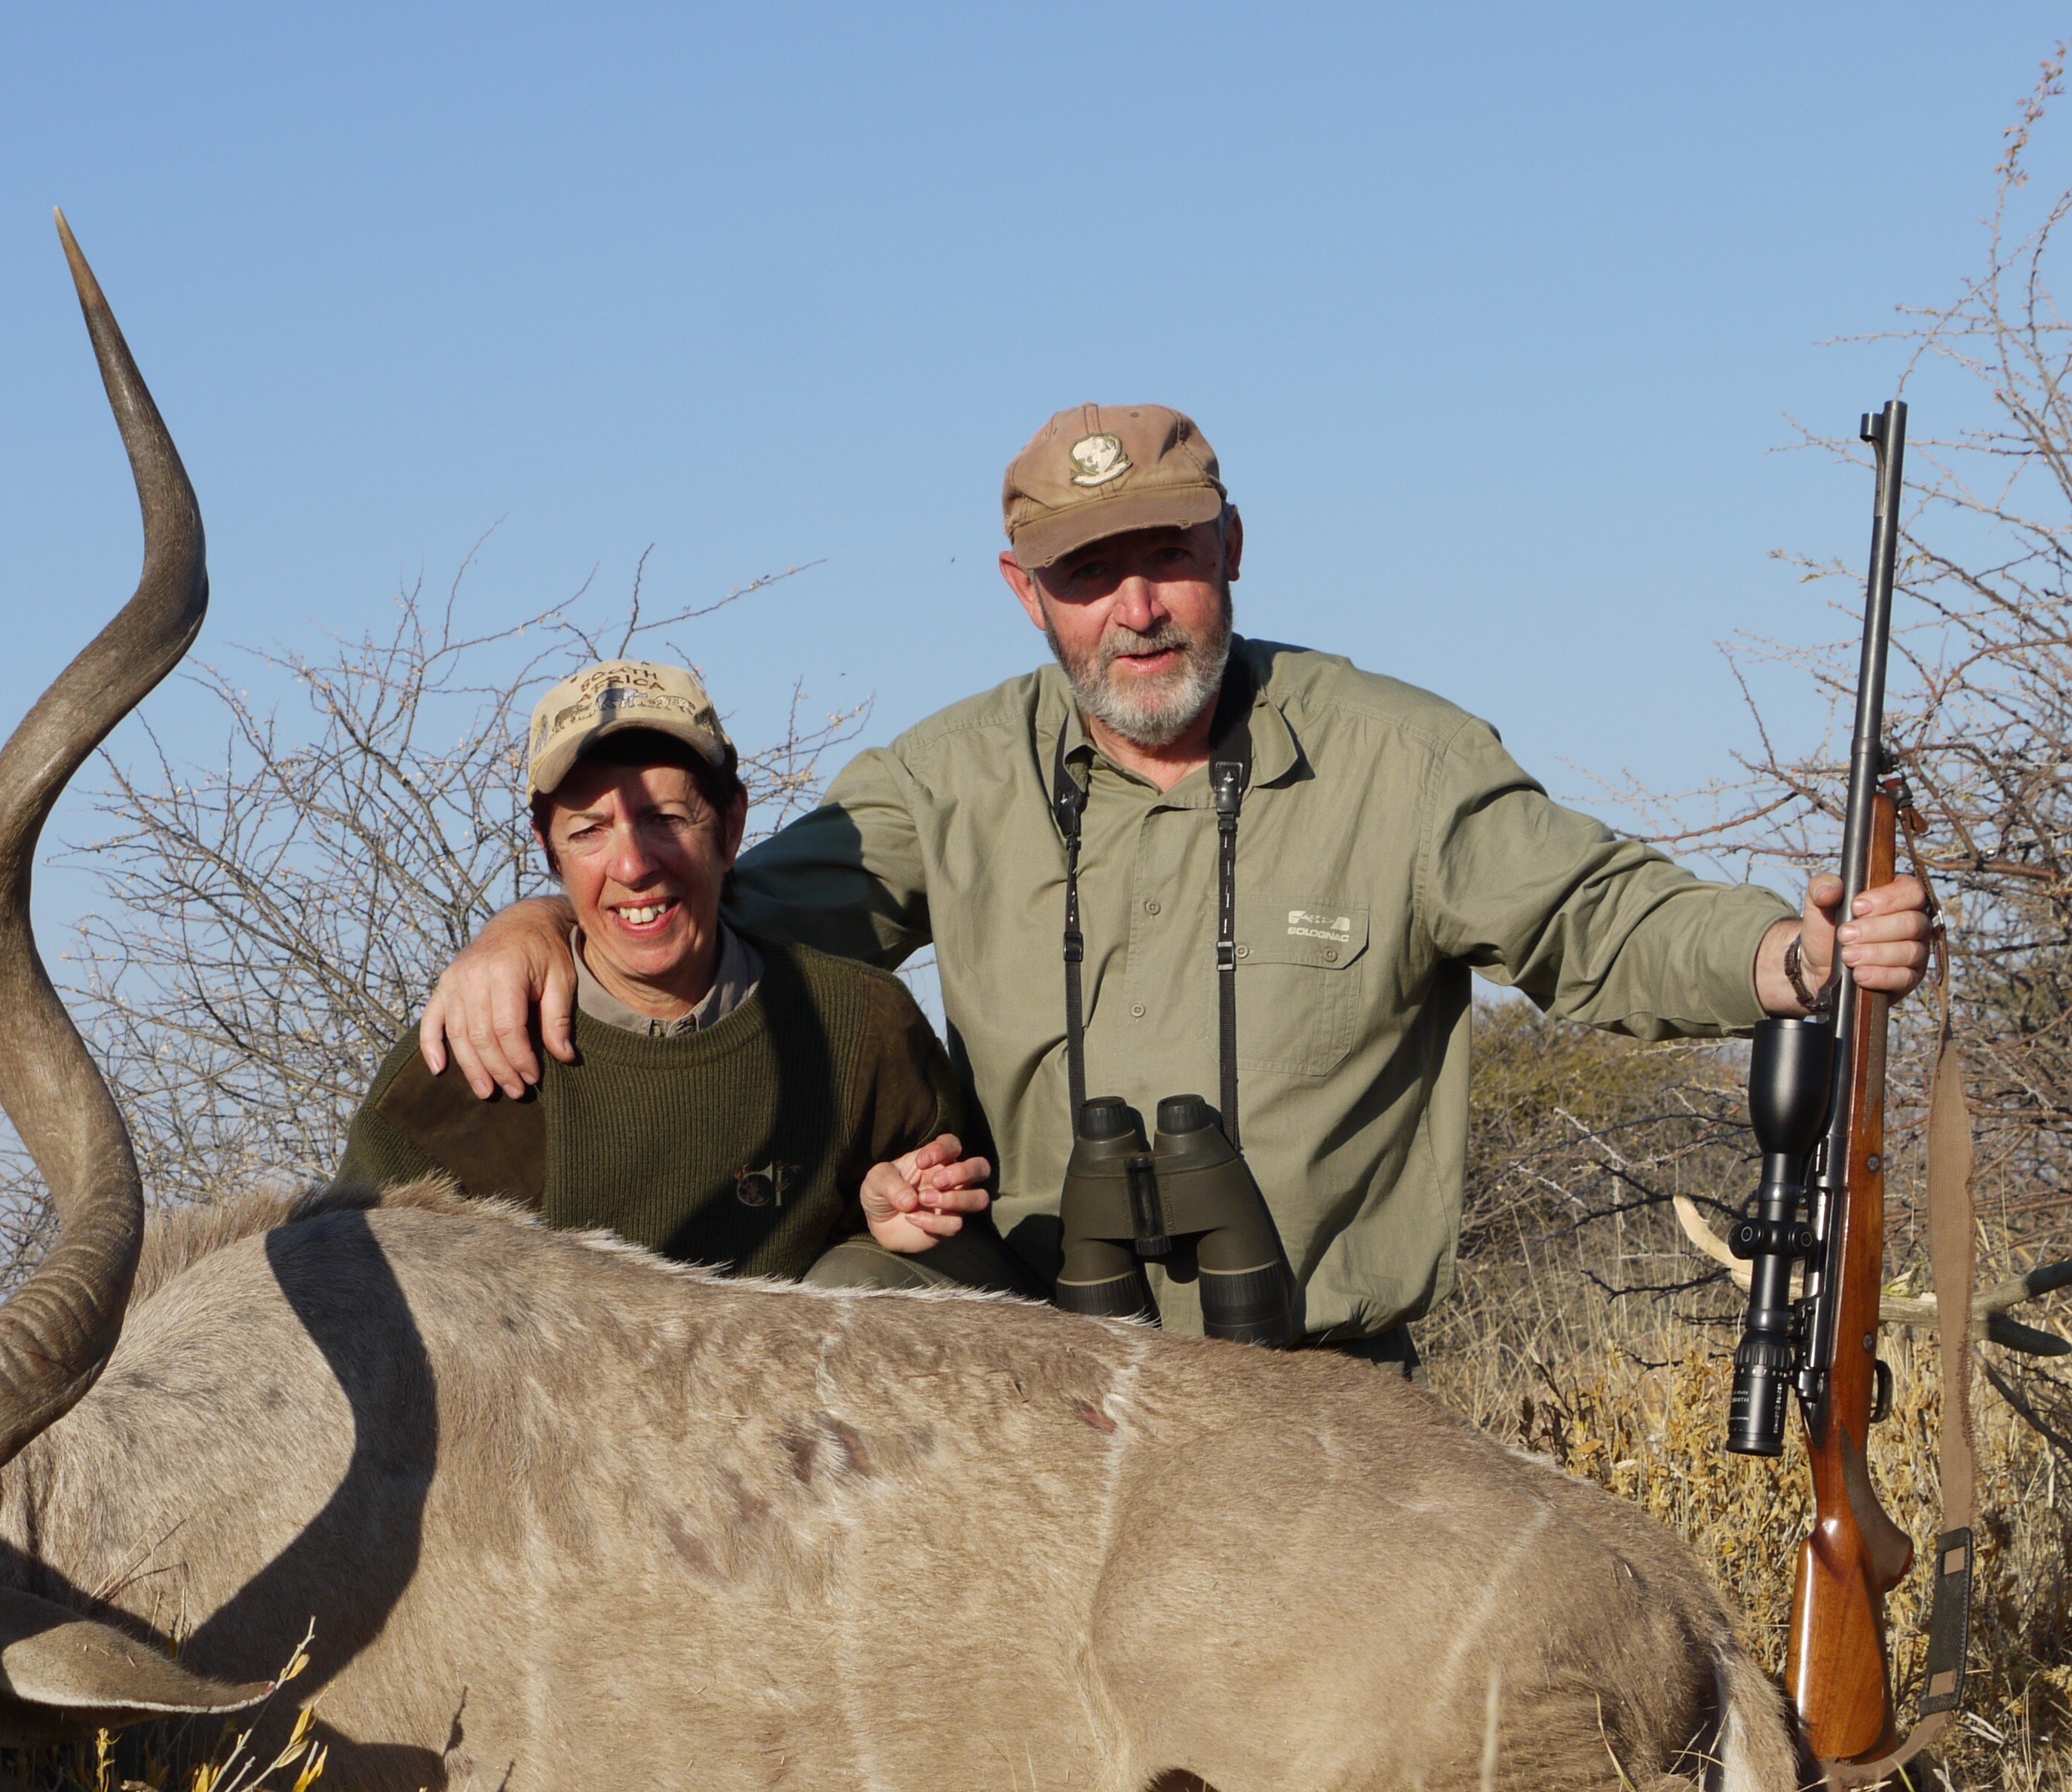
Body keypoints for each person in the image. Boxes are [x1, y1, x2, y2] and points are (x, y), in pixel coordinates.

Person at [416, 407, 1935, 1361]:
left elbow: (1592, 915)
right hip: (1050, 1383)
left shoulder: (1391, 754)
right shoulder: (946, 778)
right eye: (1087, 576)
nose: (1135, 608)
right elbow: (700, 896)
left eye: (1168, 557)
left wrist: (1787, 956)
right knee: (857, 1303)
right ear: (1025, 595)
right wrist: (537, 919)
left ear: (1231, 547)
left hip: (1318, 1386)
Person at [338, 660, 1011, 1284]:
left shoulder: (862, 1026)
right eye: (588, 831)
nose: (633, 867)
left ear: (730, 827)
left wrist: (886, 1228)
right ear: (547, 848)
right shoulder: (475, 1063)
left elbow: (976, 1257)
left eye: (665, 819)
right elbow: (350, 1301)